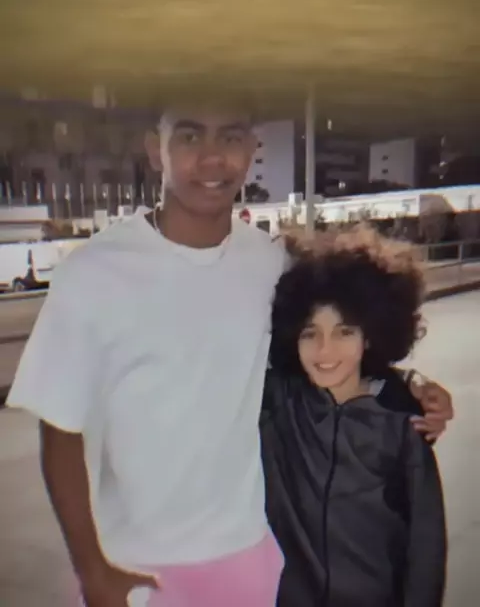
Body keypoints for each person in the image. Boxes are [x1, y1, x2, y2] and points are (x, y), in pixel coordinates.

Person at [7, 105, 452, 607]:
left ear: (251, 149)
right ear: (155, 149)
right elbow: (60, 429)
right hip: (134, 566)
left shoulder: (271, 262)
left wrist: (408, 386)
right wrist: (92, 569)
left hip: (251, 559)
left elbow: (341, 341)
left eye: (231, 137)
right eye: (190, 137)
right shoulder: (93, 273)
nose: (212, 157)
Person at [261, 225, 447, 606]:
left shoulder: (402, 426)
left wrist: (412, 384)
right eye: (310, 333)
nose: (325, 350)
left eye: (344, 332)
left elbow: (425, 551)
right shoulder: (279, 407)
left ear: (370, 335)